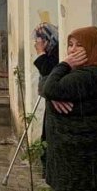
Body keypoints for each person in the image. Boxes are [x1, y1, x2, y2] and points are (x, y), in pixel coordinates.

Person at [40, 26, 97, 191]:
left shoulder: (90, 75)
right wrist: (52, 97)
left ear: (92, 48)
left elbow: (49, 86)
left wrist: (64, 64)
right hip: (75, 161)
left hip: (80, 163)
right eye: (70, 44)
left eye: (79, 45)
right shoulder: (82, 73)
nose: (72, 50)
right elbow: (46, 84)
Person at [33, 22, 60, 177]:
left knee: (49, 136)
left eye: (39, 40)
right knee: (46, 136)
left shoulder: (54, 54)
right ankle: (46, 170)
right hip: (51, 101)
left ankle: (49, 171)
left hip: (56, 102)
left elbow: (48, 72)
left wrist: (41, 54)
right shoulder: (51, 52)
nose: (37, 43)